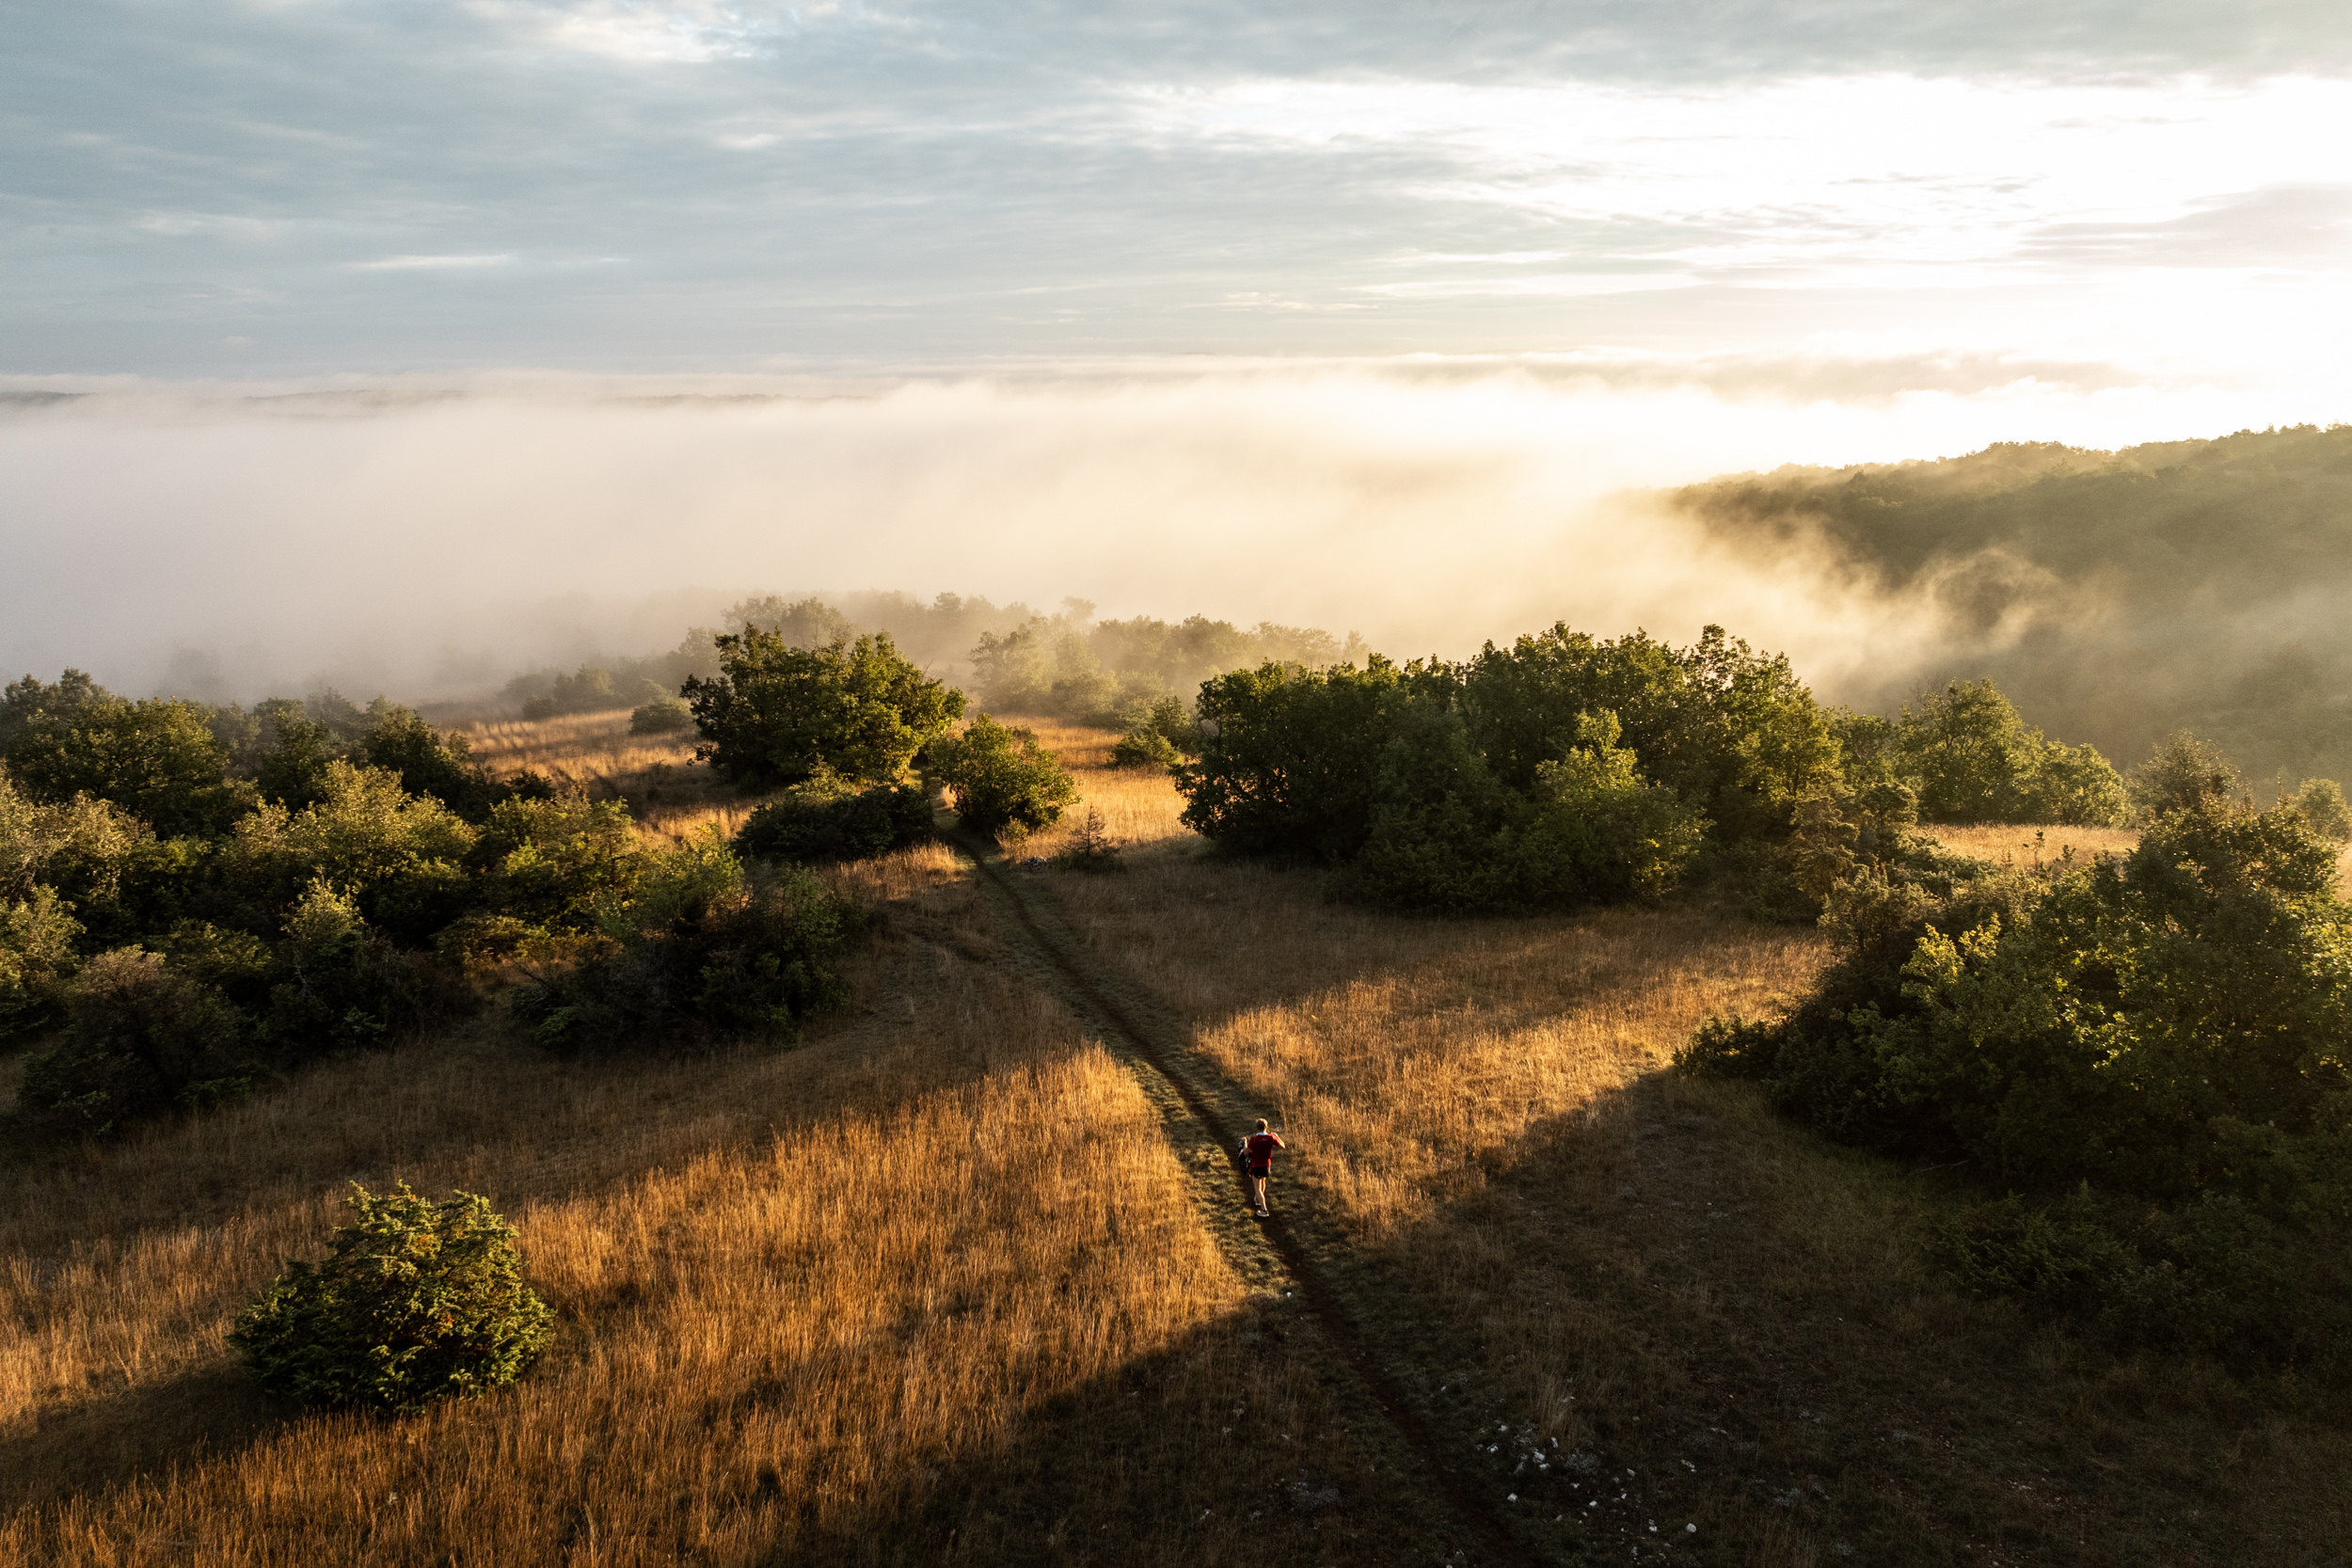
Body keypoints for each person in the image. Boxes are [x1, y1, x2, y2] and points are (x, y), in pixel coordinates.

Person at [1242, 1117, 1286, 1218]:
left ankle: (1264, 1209)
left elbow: (1245, 1152)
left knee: (1257, 1188)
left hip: (1256, 1165)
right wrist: (1277, 1137)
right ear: (1266, 1127)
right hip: (1266, 1165)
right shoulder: (1271, 1138)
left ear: (1257, 1128)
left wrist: (1245, 1143)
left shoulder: (1254, 1140)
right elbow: (1282, 1146)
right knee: (1263, 1182)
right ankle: (1258, 1199)